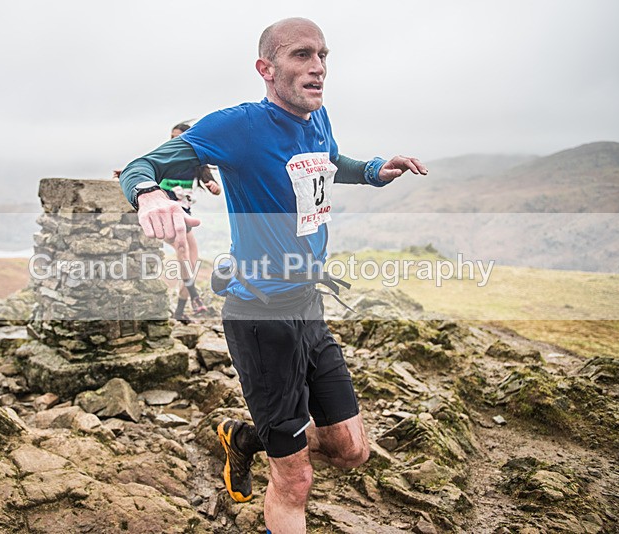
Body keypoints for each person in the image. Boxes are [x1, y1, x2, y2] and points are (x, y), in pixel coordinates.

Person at [119, 17, 428, 534]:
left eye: (324, 56)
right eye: (302, 55)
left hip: (308, 307)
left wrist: (373, 170)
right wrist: (150, 195)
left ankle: (245, 438)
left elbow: (327, 161)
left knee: (350, 450)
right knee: (295, 481)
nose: (318, 67)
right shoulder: (237, 127)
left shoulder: (317, 115)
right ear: (266, 68)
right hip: (259, 315)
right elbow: (141, 165)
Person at [114, 123, 222, 322]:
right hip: (168, 218)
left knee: (192, 264)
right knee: (183, 253)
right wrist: (128, 173)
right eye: (171, 136)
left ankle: (180, 312)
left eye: (178, 137)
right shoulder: (167, 161)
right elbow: (146, 169)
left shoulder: (198, 163)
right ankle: (196, 297)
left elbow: (214, 188)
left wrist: (215, 188)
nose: (173, 141)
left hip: (186, 217)